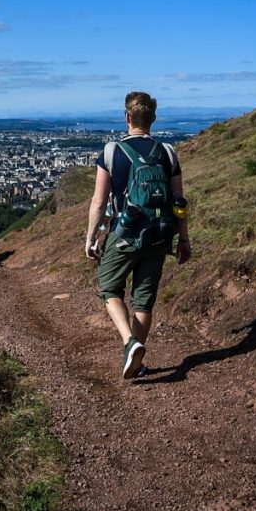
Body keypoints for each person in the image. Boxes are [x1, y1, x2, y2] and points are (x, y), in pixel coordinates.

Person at [84, 92, 191, 379]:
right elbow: (179, 202)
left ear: (127, 117)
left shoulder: (111, 152)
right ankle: (136, 357)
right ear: (153, 119)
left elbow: (98, 202)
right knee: (144, 300)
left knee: (109, 288)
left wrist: (91, 238)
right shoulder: (168, 152)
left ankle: (130, 343)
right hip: (159, 234)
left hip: (124, 234)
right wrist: (183, 239)